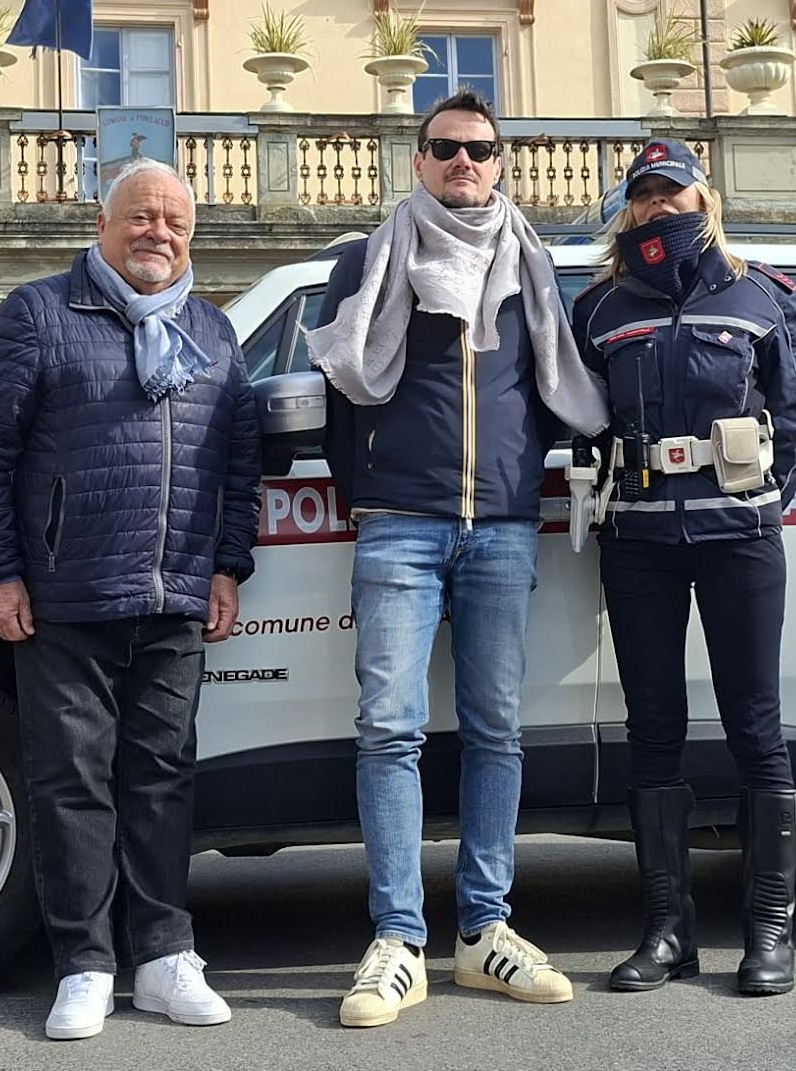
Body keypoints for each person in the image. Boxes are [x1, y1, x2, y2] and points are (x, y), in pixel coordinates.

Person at [306, 91, 610, 1028]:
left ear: (500, 161)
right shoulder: (368, 259)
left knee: (495, 732)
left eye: (478, 148)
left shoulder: (531, 263)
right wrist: (368, 488)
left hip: (504, 526)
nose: (461, 162)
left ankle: (483, 931)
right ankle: (398, 940)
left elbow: (553, 386)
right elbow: (336, 397)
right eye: (443, 148)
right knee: (387, 732)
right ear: (417, 161)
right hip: (399, 524)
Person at [0, 158, 261, 1041]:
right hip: (66, 593)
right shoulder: (39, 314)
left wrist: (227, 566)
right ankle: (84, 964)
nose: (158, 233)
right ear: (103, 224)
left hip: (175, 595)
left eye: (174, 222)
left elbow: (238, 464)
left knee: (162, 780)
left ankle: (164, 958)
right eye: (141, 217)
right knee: (71, 784)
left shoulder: (211, 330)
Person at [570, 139, 796, 997]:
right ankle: (667, 931)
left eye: (671, 193)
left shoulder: (761, 296)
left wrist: (757, 504)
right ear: (627, 208)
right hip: (637, 539)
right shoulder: (599, 308)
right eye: (643, 196)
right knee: (652, 729)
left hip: (737, 538)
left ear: (703, 200)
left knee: (755, 725)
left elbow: (794, 420)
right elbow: (581, 422)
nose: (657, 208)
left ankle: (769, 930)